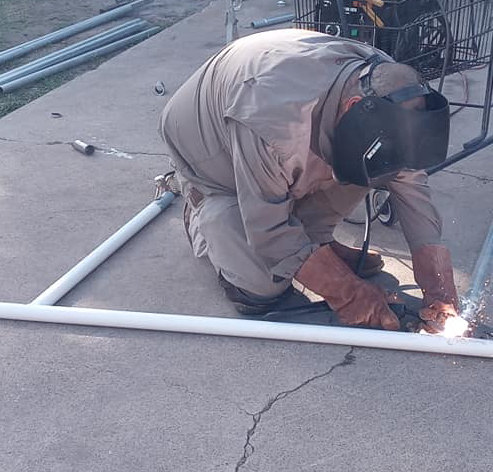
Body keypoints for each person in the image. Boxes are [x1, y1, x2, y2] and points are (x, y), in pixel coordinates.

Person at [159, 29, 459, 332]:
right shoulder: (273, 123)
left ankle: (315, 242)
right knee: (263, 286)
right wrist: (348, 292)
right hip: (211, 161)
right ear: (354, 105)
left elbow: (408, 178)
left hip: (269, 135)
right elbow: (269, 231)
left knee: (374, 163)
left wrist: (436, 278)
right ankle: (199, 212)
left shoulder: (385, 81)